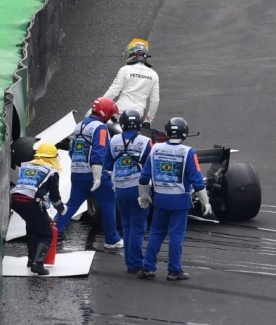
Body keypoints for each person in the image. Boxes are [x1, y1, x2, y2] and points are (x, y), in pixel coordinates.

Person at [137, 117, 212, 281]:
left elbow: (144, 177)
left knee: (156, 233)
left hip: (160, 199)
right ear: (184, 133)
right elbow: (197, 181)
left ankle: (148, 267)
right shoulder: (188, 152)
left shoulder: (155, 148)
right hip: (180, 200)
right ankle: (174, 270)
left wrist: (144, 195)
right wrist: (205, 202)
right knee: (176, 236)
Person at [54, 97, 123, 249]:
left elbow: (72, 151)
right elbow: (99, 151)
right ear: (105, 113)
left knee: (71, 205)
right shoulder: (101, 128)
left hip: (77, 172)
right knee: (108, 204)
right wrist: (98, 176)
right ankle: (112, 239)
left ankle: (50, 232)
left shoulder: (79, 126)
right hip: (95, 173)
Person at [104, 109, 153, 274]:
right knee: (138, 226)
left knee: (127, 226)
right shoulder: (146, 141)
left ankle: (129, 262)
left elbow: (108, 165)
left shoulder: (113, 140)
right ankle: (136, 263)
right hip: (139, 189)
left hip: (120, 189)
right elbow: (150, 166)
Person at [10, 142, 68, 275]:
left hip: (16, 201)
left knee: (32, 226)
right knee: (45, 233)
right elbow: (54, 196)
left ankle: (31, 259)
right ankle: (38, 264)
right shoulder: (51, 172)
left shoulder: (27, 166)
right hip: (31, 201)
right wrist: (61, 209)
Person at [103, 38, 160, 129]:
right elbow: (155, 100)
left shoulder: (125, 70)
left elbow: (113, 91)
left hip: (119, 112)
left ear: (131, 54)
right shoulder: (153, 75)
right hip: (138, 115)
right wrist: (148, 120)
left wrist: (98, 108)